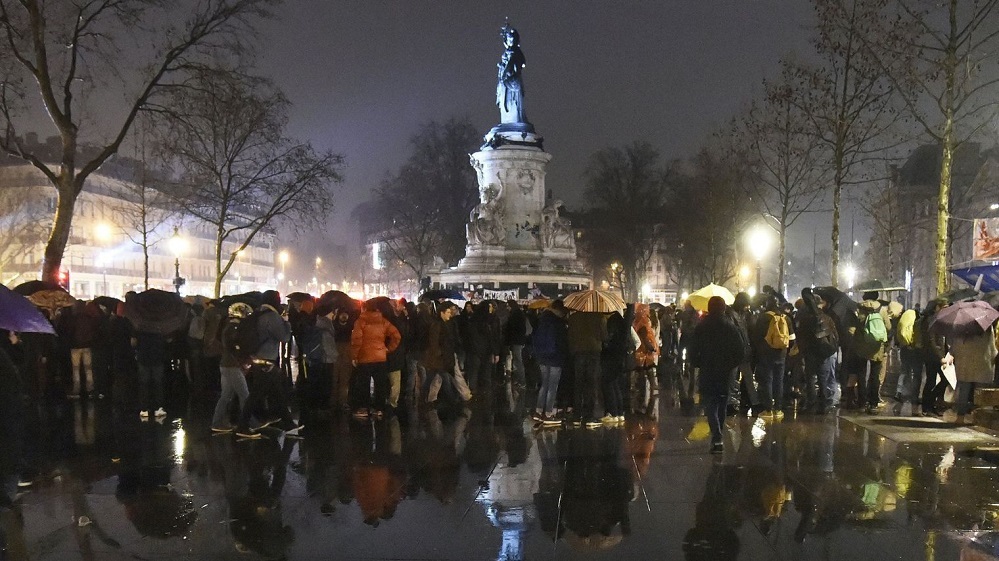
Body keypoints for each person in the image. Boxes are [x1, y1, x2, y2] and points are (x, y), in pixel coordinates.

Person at [236, 291, 299, 438]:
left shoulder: (257, 313)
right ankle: (242, 426)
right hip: (267, 360)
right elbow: (284, 337)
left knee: (276, 392)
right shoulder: (272, 316)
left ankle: (287, 423)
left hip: (257, 359)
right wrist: (286, 322)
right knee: (256, 395)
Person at [690, 296, 745, 454]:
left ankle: (717, 435)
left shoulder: (702, 326)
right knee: (722, 402)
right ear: (723, 308)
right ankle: (719, 433)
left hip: (707, 369)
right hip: (725, 372)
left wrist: (697, 362)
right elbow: (740, 350)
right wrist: (731, 365)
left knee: (710, 403)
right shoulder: (730, 326)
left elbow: (693, 349)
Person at [350, 299, 402, 418]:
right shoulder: (383, 321)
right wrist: (388, 349)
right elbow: (396, 336)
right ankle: (379, 409)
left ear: (364, 308)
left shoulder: (361, 321)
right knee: (380, 384)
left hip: (364, 357)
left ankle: (364, 408)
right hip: (380, 357)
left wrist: (354, 356)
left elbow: (356, 340)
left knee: (364, 384)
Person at [797, 288, 839, 414]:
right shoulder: (827, 318)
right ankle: (823, 405)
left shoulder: (805, 319)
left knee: (810, 378)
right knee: (823, 379)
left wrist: (802, 350)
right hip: (824, 353)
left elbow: (801, 336)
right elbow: (835, 336)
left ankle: (811, 403)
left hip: (810, 352)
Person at [211, 303, 252, 433]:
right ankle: (248, 424)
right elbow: (234, 347)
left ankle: (217, 422)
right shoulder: (233, 328)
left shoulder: (227, 326)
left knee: (226, 396)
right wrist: (242, 360)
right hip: (232, 365)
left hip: (226, 364)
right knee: (244, 395)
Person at [752, 296, 792, 418]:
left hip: (766, 353)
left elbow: (756, 336)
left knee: (767, 381)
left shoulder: (763, 318)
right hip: (782, 353)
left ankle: (768, 410)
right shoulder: (785, 318)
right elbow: (792, 337)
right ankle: (778, 409)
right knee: (779, 381)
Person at [567, 309, 608, 428]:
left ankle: (577, 415)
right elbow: (604, 337)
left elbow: (570, 336)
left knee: (578, 384)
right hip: (594, 352)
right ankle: (590, 416)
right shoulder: (599, 317)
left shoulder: (573, 318)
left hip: (578, 352)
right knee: (592, 383)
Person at [532, 301, 569, 424]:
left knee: (544, 384)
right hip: (555, 357)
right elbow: (562, 342)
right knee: (552, 386)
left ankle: (538, 411)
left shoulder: (541, 320)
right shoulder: (558, 323)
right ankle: (548, 413)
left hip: (542, 357)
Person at [504, 300, 528, 389]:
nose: (507, 308)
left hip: (516, 341)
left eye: (508, 306)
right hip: (518, 341)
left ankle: (522, 382)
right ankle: (519, 380)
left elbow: (512, 329)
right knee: (517, 361)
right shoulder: (519, 314)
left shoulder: (515, 315)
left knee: (518, 361)